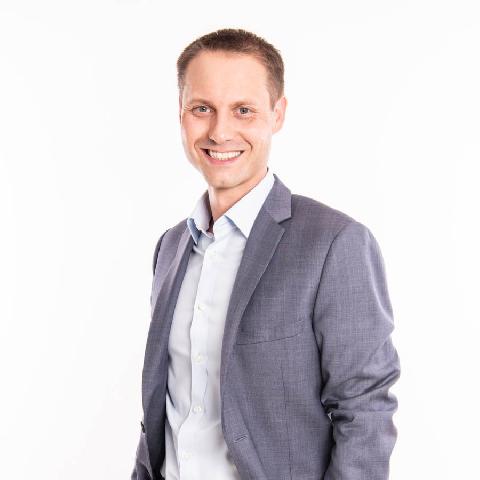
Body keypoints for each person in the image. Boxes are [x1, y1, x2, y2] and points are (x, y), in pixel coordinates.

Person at [131, 28, 400, 480]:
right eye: (202, 109)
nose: (220, 131)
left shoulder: (334, 243)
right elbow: (166, 409)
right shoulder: (171, 247)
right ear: (181, 114)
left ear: (277, 114)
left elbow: (365, 410)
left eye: (243, 110)